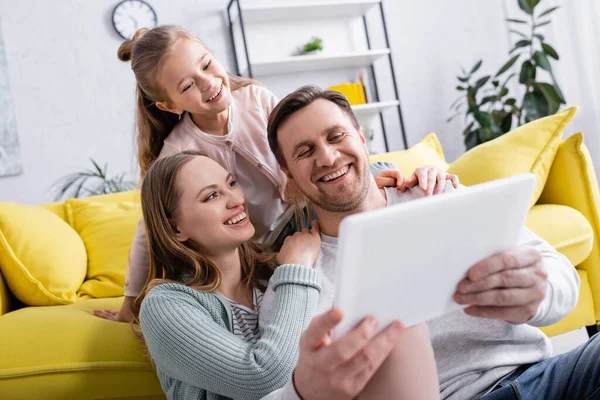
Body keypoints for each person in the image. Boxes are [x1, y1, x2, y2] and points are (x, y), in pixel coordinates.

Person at [93, 25, 459, 322]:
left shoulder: (255, 99)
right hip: (263, 243)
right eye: (188, 85)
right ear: (169, 105)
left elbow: (309, 145)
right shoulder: (179, 150)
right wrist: (130, 303)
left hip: (305, 207)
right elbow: (150, 229)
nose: (208, 83)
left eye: (206, 65)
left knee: (381, 171)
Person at [265, 85, 600, 400]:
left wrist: (539, 294)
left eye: (336, 136)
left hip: (544, 376)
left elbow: (562, 278)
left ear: (363, 140)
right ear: (290, 176)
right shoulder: (297, 278)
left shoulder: (437, 194)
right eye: (305, 151)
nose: (327, 157)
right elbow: (276, 385)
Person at [136, 150, 439, 399]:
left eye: (231, 183)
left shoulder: (270, 269)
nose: (235, 200)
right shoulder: (165, 305)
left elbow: (336, 179)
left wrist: (413, 178)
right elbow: (266, 378)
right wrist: (296, 270)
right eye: (211, 196)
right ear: (175, 228)